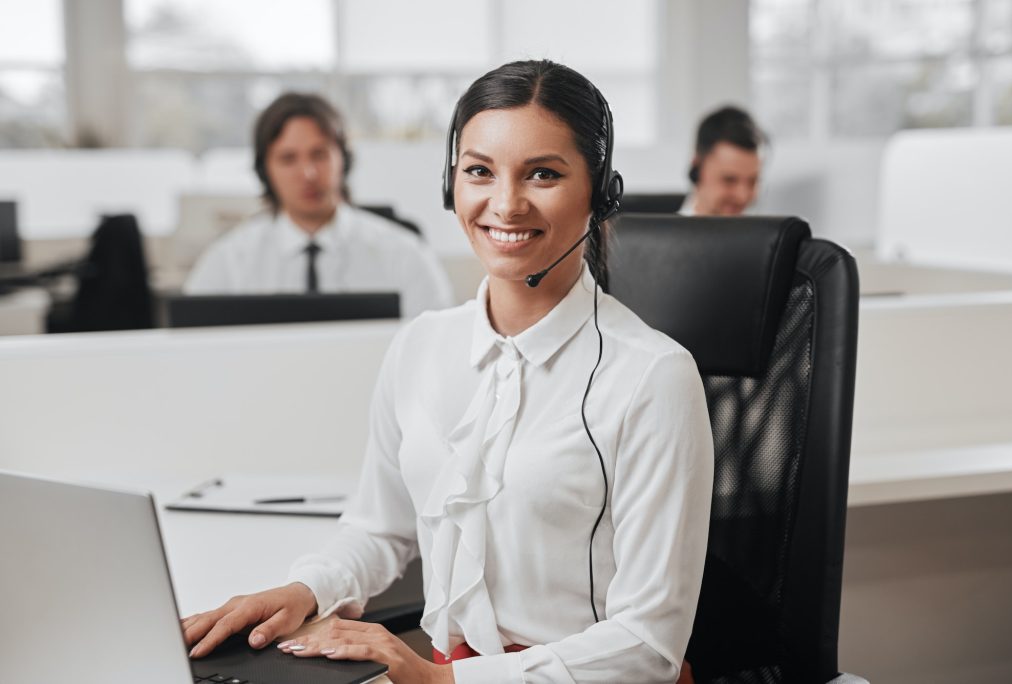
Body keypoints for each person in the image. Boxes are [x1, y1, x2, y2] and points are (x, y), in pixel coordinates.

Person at [181, 60, 713, 684]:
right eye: (479, 171)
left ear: (600, 192)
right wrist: (305, 589)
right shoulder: (421, 347)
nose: (506, 204)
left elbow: (648, 645)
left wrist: (445, 681)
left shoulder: (654, 377)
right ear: (449, 185)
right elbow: (380, 529)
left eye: (543, 173)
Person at [184, 92, 453, 318]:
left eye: (319, 154)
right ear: (265, 171)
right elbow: (195, 354)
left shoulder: (405, 256)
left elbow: (440, 353)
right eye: (288, 159)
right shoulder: (228, 262)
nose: (308, 173)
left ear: (343, 159)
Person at [681, 105, 767, 217]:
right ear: (697, 169)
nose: (742, 196)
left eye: (753, 181)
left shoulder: (770, 233)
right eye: (729, 180)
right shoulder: (662, 234)